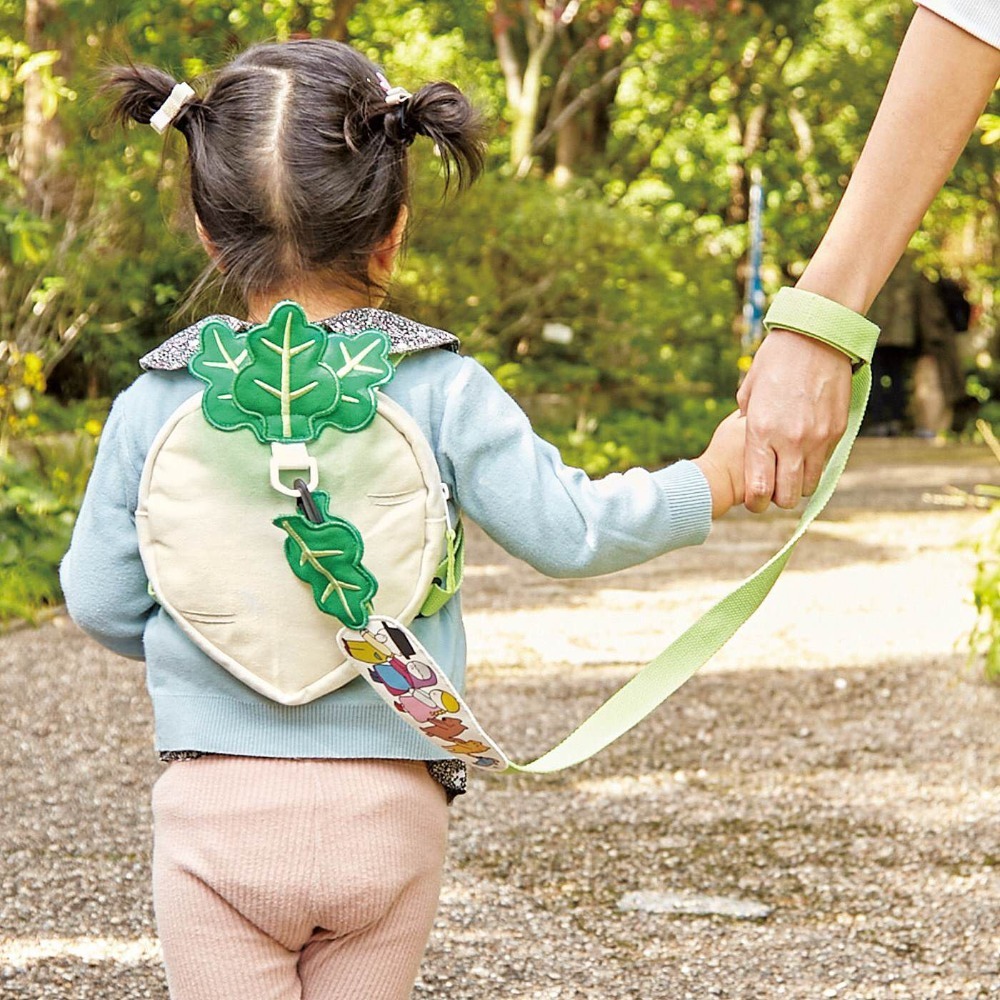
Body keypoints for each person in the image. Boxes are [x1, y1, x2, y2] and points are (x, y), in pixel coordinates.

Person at [59, 40, 747, 1000]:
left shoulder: (158, 399)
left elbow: (97, 598)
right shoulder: (443, 386)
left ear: (210, 237)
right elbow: (571, 531)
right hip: (391, 811)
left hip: (214, 811)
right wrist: (708, 481)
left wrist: (214, 632)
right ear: (391, 233)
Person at [737, 1, 1000, 512]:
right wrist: (821, 320)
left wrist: (820, 323)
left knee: (893, 377)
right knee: (891, 377)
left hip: (888, 332)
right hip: (887, 333)